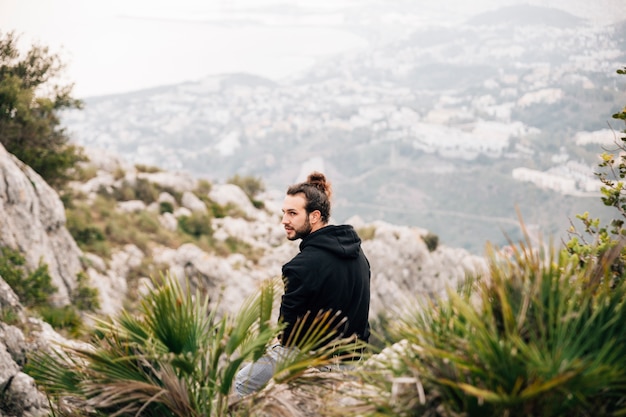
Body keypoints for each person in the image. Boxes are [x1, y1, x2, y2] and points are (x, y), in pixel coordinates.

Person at [234, 171, 371, 396]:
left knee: (240, 383)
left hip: (312, 357)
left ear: (314, 216)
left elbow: (286, 333)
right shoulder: (359, 256)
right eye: (284, 213)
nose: (284, 220)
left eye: (292, 213)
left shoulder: (300, 266)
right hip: (352, 361)